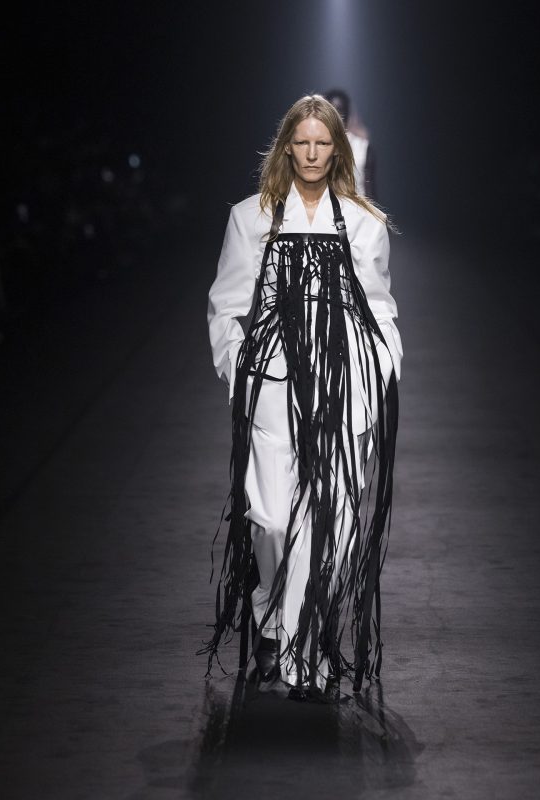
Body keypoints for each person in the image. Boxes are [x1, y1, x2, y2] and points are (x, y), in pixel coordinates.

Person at [202, 94, 402, 700]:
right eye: (303, 142)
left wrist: (381, 372)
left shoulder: (364, 222)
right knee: (269, 516)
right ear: (287, 146)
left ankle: (303, 652)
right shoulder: (250, 217)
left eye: (324, 143)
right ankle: (268, 616)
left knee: (333, 523)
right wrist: (240, 374)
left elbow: (381, 308)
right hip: (270, 387)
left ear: (337, 149)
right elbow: (227, 306)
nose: (313, 154)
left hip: (344, 393)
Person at [324, 88, 377, 199]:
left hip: (356, 213)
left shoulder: (363, 148)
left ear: (348, 113)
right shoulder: (310, 148)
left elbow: (370, 191)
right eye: (332, 111)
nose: (337, 116)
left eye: (341, 110)